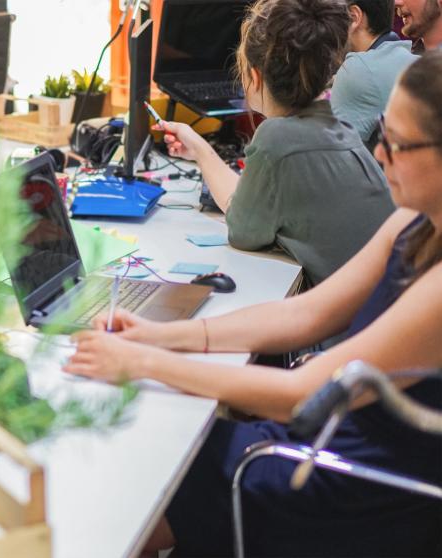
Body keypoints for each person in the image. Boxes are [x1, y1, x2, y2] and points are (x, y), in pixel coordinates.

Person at [66, 51, 442, 557]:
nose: (379, 156)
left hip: (347, 484)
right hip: (328, 440)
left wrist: (141, 362)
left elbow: (303, 392)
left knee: (146, 472)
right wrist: (160, 335)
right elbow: (306, 313)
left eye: (394, 144)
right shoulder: (415, 222)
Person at [157, 0, 394, 287]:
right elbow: (244, 208)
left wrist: (202, 152)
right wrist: (200, 151)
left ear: (255, 77)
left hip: (353, 324)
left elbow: (242, 230)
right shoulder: (335, 126)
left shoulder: (277, 137)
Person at [331, 0, 417, 146]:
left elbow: (332, 156)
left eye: (328, 17)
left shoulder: (359, 68)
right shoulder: (411, 59)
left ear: (354, 17)